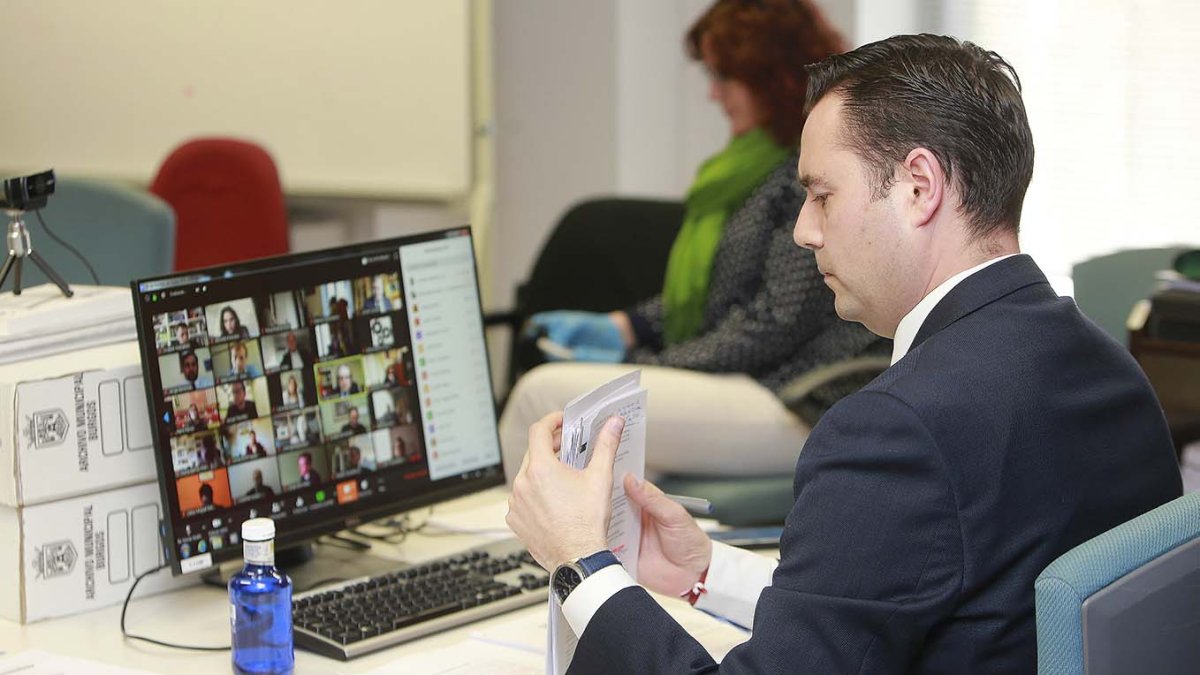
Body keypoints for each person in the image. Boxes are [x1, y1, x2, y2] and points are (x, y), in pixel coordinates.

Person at [505, 34, 1184, 673]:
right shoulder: (1111, 369)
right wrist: (706, 570)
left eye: (822, 195)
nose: (805, 230)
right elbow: (926, 596)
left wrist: (582, 566)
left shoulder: (896, 428)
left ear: (919, 187)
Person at [499, 0, 883, 479]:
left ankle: (504, 529)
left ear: (770, 76)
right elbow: (721, 295)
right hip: (759, 381)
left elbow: (772, 324)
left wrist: (644, 359)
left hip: (799, 397)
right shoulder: (750, 168)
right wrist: (630, 325)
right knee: (614, 463)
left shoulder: (805, 172)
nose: (713, 94)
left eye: (724, 77)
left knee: (539, 395)